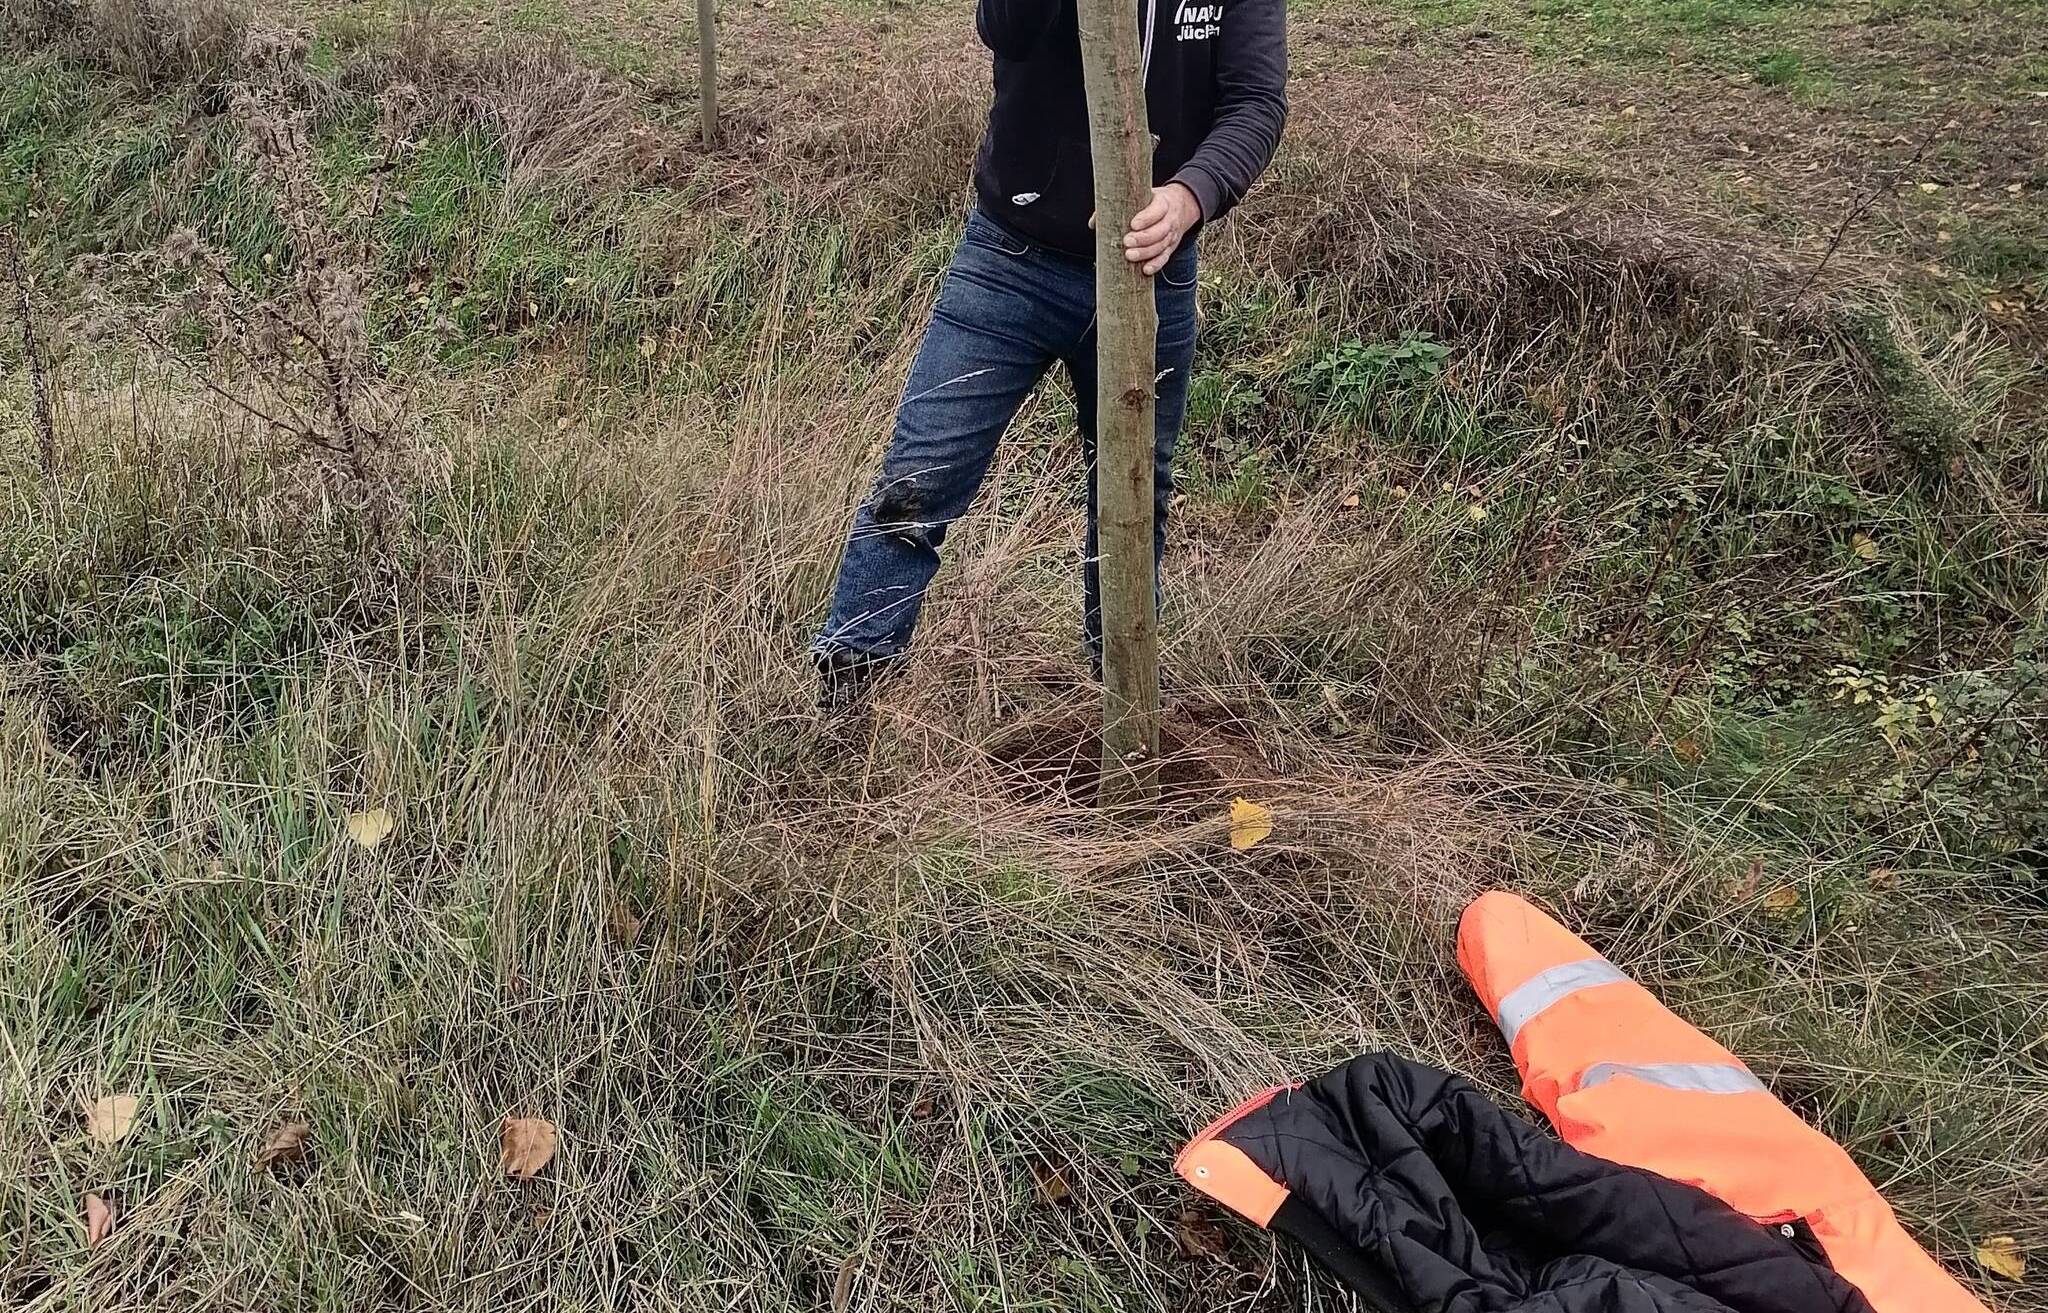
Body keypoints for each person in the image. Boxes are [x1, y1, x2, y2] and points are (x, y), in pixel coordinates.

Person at [812, 0, 1289, 706]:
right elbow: (1001, 26)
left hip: (1149, 275)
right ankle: (845, 704)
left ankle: (1123, 702)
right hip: (1011, 259)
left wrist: (1191, 196)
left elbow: (1256, 101)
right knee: (916, 483)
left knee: (1134, 496)